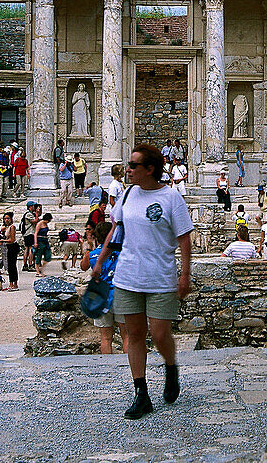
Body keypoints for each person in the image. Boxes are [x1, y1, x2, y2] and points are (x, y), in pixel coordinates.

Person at [90, 143, 192, 420]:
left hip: (160, 276)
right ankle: (141, 392)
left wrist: (185, 273)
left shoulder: (171, 198)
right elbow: (115, 229)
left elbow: (184, 237)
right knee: (134, 336)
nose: (128, 169)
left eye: (134, 165)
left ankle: (171, 366)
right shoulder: (127, 195)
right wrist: (100, 261)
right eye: (128, 164)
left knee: (160, 334)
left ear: (150, 169)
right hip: (128, 275)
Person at [82, 221, 121, 354]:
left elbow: (83, 266)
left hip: (101, 295)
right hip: (120, 293)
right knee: (127, 336)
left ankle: (108, 367)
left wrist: (89, 246)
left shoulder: (92, 255)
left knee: (105, 338)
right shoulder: (121, 252)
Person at [2, 214, 19, 291]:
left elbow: (12, 239)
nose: (6, 220)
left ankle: (14, 284)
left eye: (8, 218)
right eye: (5, 219)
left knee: (12, 266)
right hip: (9, 247)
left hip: (13, 246)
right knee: (10, 265)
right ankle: (12, 283)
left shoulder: (12, 227)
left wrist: (3, 241)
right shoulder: (6, 228)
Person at [21, 201, 39, 272]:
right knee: (30, 249)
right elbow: (35, 221)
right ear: (30, 207)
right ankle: (30, 264)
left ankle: (25, 265)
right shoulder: (28, 214)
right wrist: (37, 214)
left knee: (27, 249)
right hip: (30, 233)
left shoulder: (30, 214)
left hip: (27, 234)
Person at [33, 212, 53, 277]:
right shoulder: (40, 223)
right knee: (38, 256)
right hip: (40, 240)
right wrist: (35, 242)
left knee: (48, 255)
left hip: (45, 240)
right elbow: (36, 233)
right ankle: (38, 271)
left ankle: (41, 269)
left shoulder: (45, 224)